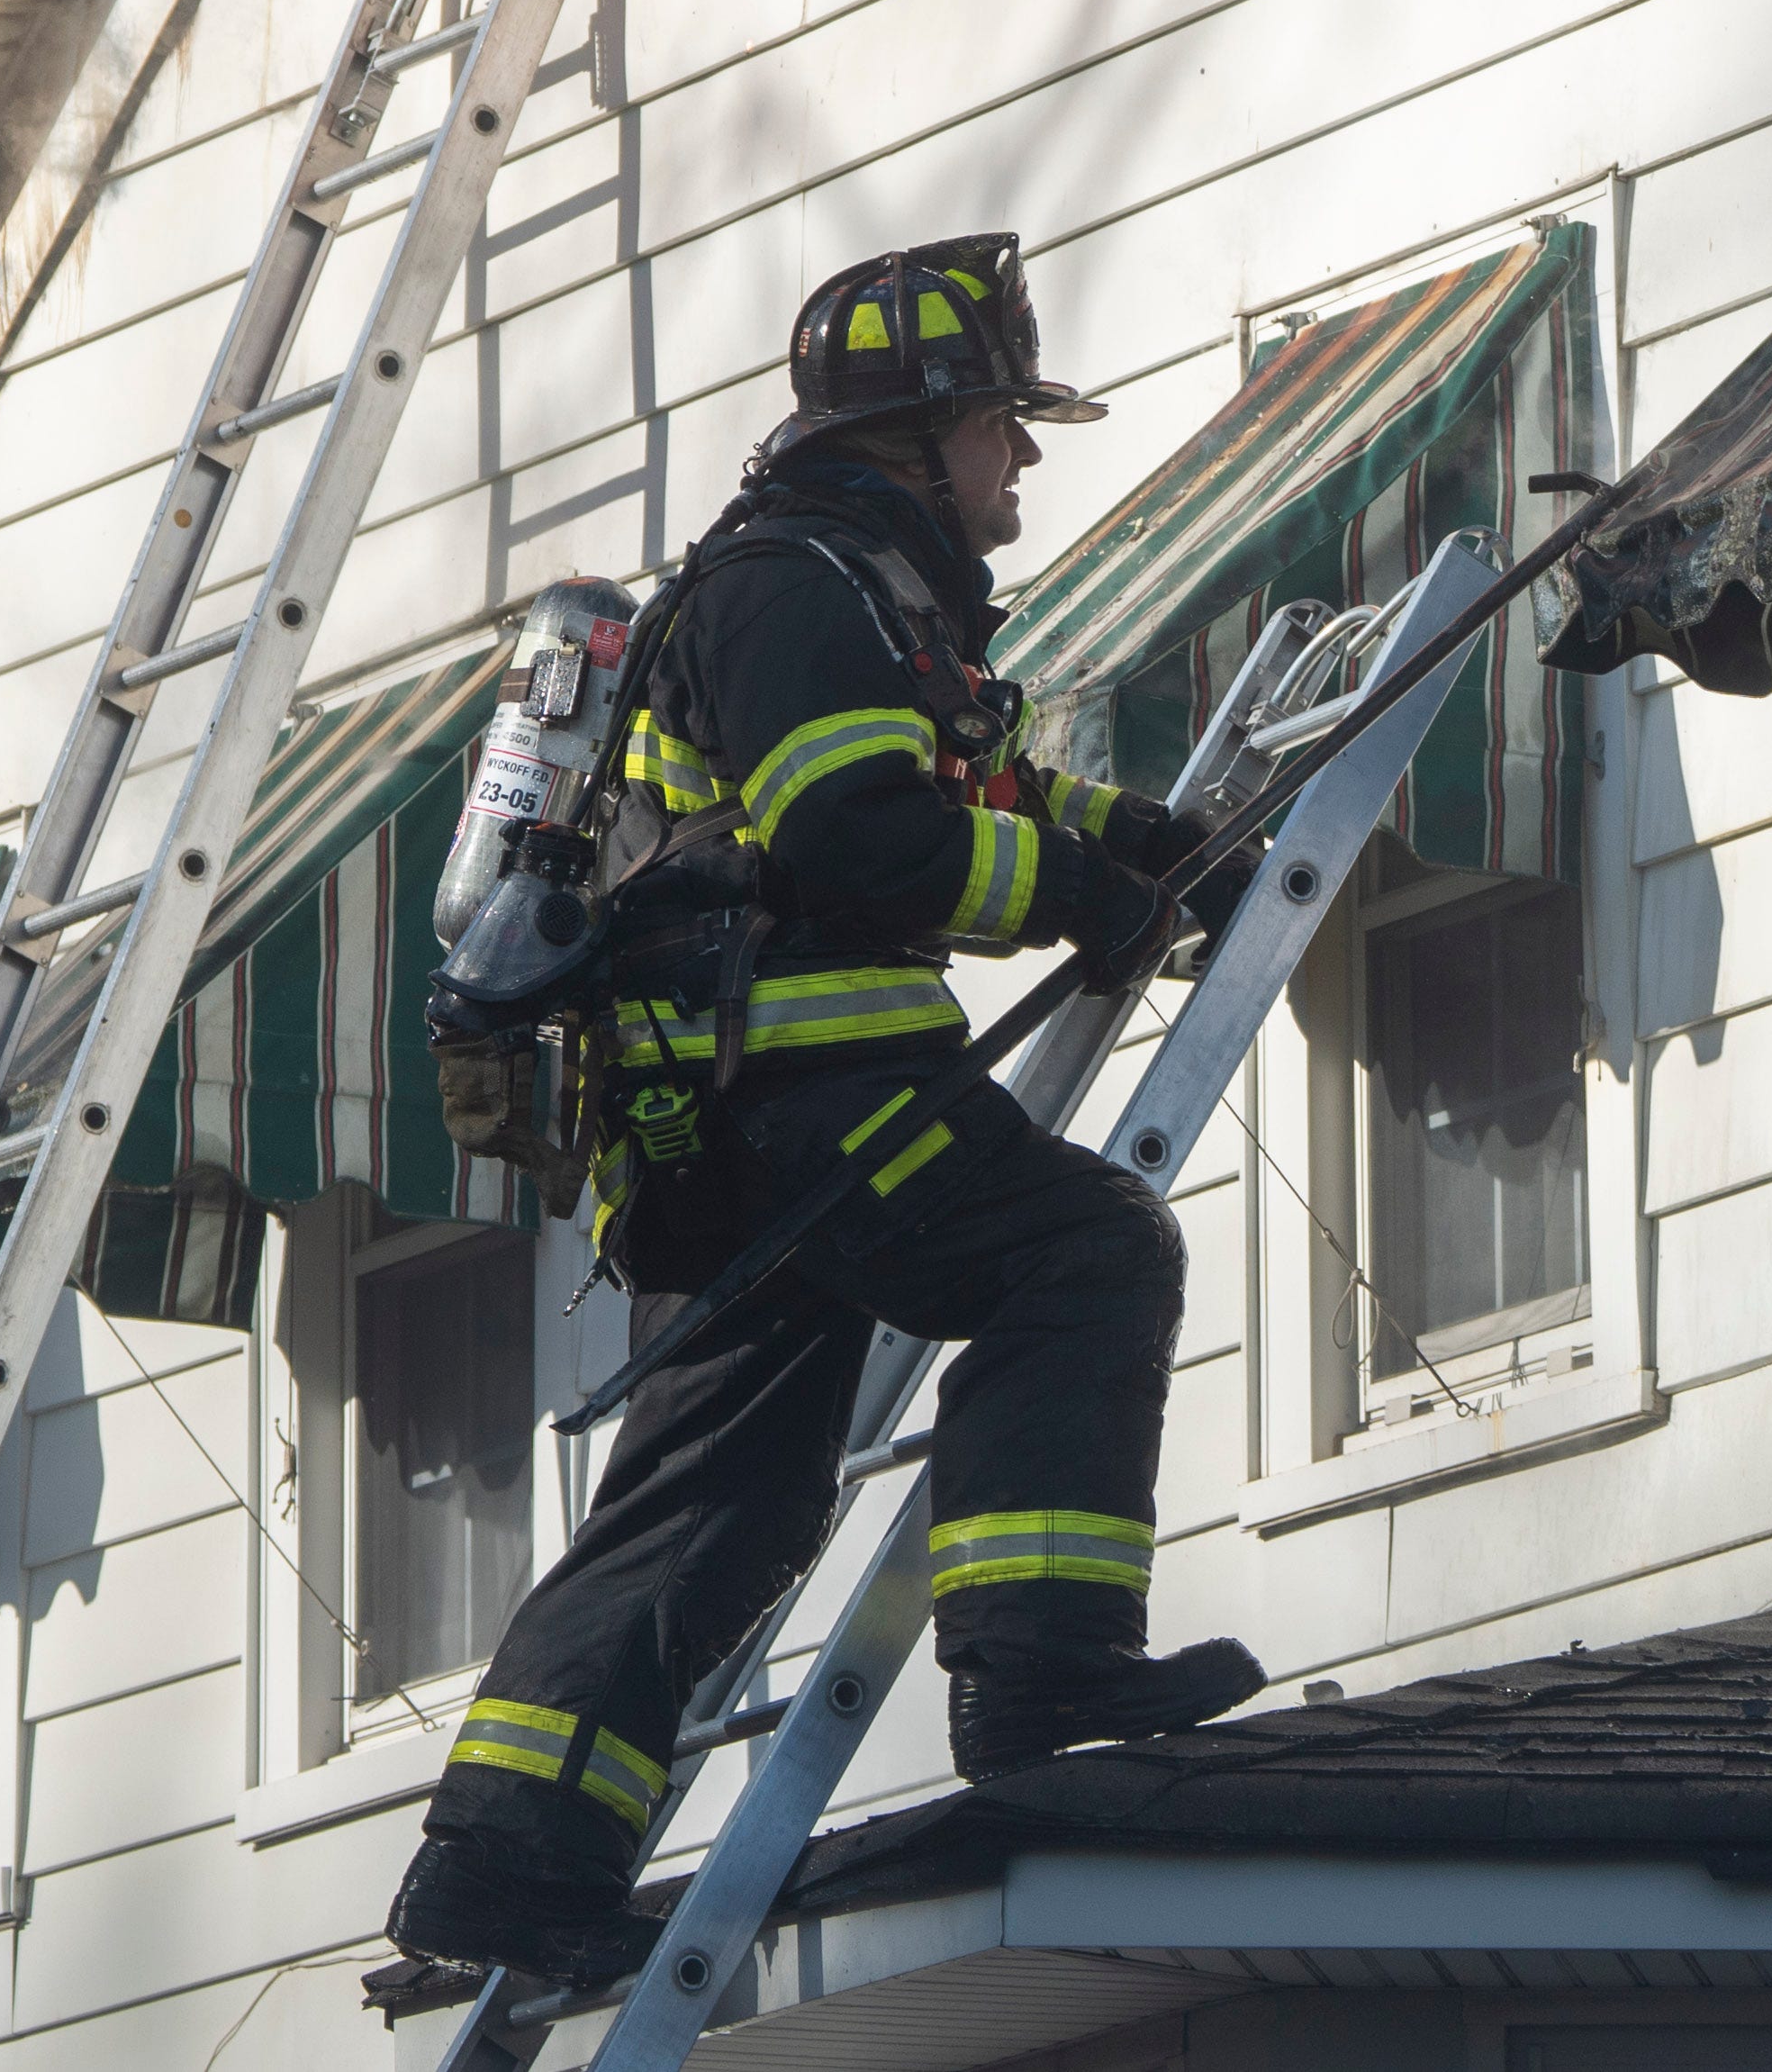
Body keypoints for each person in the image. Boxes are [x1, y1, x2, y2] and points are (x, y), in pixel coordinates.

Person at [383, 236, 1262, 1999]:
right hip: (807, 1090)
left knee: (723, 1499)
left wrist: (1132, 846)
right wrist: (1077, 892)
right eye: (1007, 427)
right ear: (924, 431)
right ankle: (1040, 1672)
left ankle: (503, 1865)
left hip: (728, 1120)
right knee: (1082, 1257)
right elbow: (865, 838)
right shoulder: (800, 594)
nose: (1023, 463)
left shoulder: (862, 600)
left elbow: (967, 789)